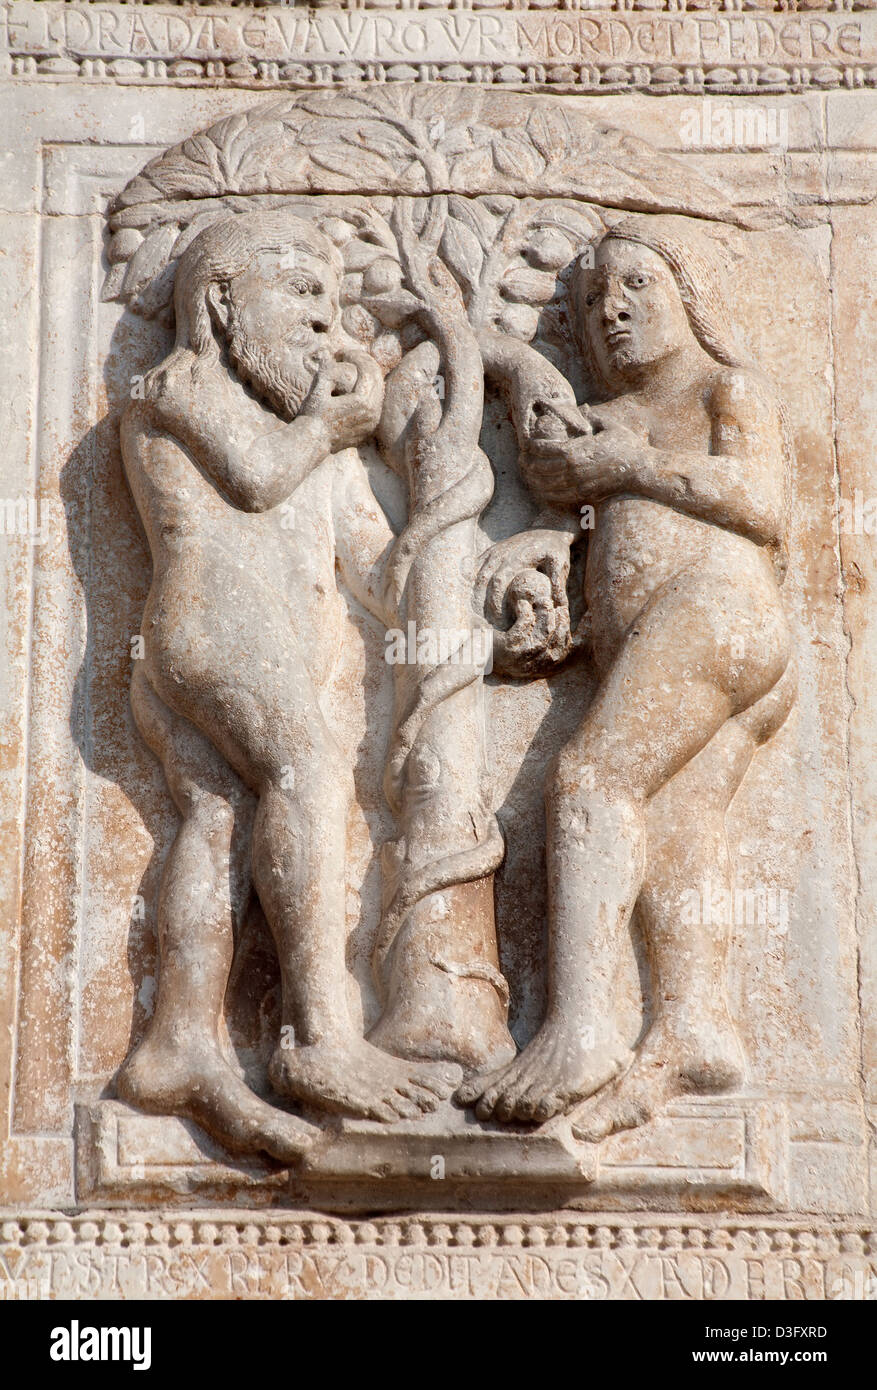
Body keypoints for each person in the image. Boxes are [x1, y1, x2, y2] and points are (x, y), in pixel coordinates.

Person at [119, 211, 459, 1161]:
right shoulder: (180, 386)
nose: (325, 321)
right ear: (221, 305)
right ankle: (321, 1036)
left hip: (251, 648)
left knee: (216, 819)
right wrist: (328, 424)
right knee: (304, 770)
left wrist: (461, 548)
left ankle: (182, 1043)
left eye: (334, 301)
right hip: (208, 633)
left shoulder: (321, 433)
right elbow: (260, 478)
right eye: (301, 291)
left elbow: (370, 565)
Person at [460, 216, 796, 1139]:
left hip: (719, 614)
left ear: (687, 298)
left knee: (589, 779)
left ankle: (582, 1027)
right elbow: (589, 511)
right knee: (678, 826)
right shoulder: (611, 419)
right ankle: (691, 1030)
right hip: (672, 637)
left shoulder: (725, 390)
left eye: (637, 286)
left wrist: (634, 465)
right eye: (593, 300)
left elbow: (761, 502)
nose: (612, 311)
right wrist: (554, 553)